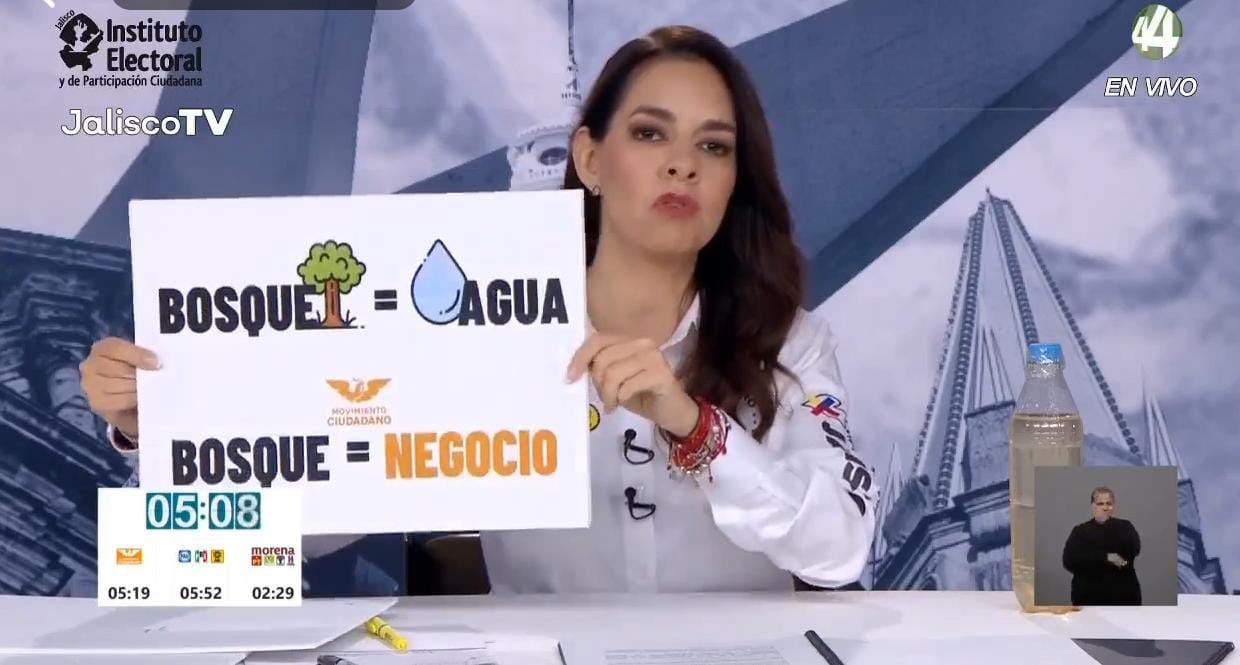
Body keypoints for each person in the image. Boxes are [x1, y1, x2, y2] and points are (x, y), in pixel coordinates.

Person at [79, 25, 877, 594]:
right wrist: (164, 428)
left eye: (713, 146)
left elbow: (841, 548)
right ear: (590, 159)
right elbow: (288, 531)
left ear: (736, 178)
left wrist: (694, 425)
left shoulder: (792, 344)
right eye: (649, 133)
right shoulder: (483, 329)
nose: (682, 165)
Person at [1061, 486, 1142, 605]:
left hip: (1123, 596)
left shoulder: (1125, 527)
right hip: (1088, 597)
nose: (1105, 507)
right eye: (1100, 504)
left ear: (1113, 506)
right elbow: (1070, 560)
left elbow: (1133, 550)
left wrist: (1092, 558)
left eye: (1109, 503)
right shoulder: (1080, 531)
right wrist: (1107, 557)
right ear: (1092, 506)